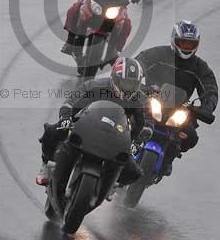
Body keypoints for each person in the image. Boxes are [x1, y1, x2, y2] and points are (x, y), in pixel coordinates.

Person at [36, 56, 147, 187]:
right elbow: (72, 102)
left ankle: (111, 184)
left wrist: (137, 142)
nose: (128, 88)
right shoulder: (95, 86)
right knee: (52, 131)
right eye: (125, 83)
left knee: (134, 172)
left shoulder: (139, 101)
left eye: (132, 84)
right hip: (86, 125)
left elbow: (146, 123)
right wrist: (65, 118)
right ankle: (45, 164)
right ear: (115, 78)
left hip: (116, 136)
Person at [136, 20, 218, 178]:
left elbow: (210, 89)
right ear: (174, 40)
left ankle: (169, 158)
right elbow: (138, 64)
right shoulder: (157, 54)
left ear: (197, 44)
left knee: (190, 136)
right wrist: (137, 85)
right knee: (125, 117)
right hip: (150, 100)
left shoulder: (200, 68)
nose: (186, 47)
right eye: (183, 43)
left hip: (180, 110)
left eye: (190, 44)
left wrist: (207, 107)